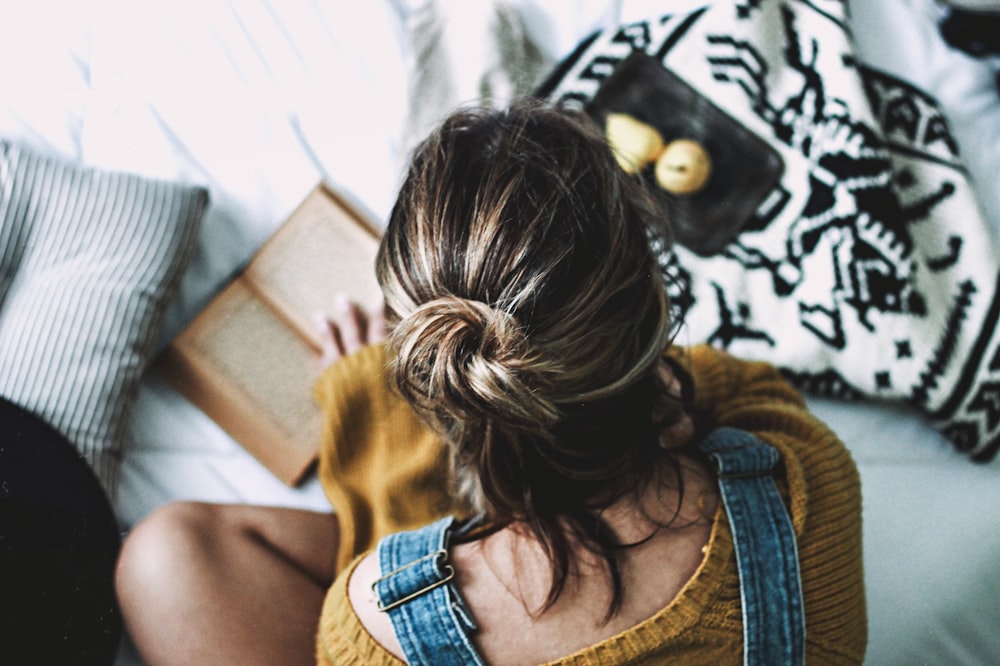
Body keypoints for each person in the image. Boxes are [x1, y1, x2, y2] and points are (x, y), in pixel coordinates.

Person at [116, 102, 866, 665]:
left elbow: (402, 592)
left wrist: (374, 419)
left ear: (431, 387)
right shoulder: (804, 491)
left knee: (164, 560)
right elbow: (736, 382)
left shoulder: (373, 627)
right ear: (649, 315)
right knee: (167, 555)